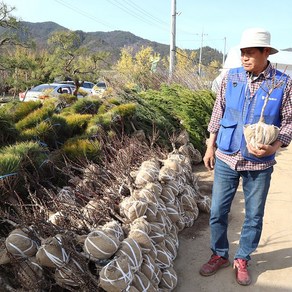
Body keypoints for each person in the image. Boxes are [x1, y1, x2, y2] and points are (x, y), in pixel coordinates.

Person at [199, 27, 292, 286]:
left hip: (259, 163)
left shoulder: (282, 83)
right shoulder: (232, 78)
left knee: (253, 214)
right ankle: (219, 254)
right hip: (227, 156)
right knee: (217, 210)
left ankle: (242, 258)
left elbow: (288, 122)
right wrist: (210, 145)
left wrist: (274, 147)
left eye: (250, 53)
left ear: (266, 53)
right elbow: (218, 112)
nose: (244, 58)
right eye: (242, 53)